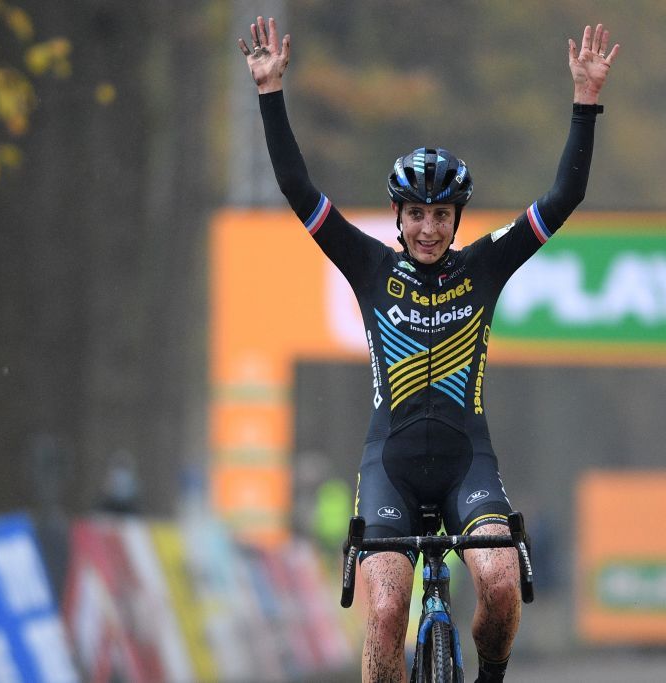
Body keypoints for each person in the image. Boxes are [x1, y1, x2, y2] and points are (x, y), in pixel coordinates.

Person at [238, 16, 619, 683]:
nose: (428, 227)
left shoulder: (485, 266)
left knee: (500, 586)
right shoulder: (368, 266)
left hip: (468, 465)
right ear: (399, 217)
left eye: (440, 214)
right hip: (390, 466)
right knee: (386, 609)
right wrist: (271, 93)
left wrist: (586, 103)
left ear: (456, 219)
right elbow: (299, 192)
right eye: (416, 213)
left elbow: (564, 197)